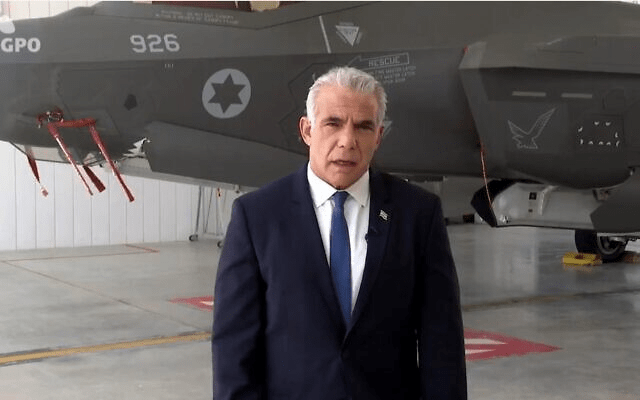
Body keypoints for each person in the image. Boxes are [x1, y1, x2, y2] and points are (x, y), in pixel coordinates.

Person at [212, 66, 467, 400]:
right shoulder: (257, 217)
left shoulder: (418, 214)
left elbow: (442, 341)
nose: (347, 141)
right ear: (307, 130)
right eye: (333, 123)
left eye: (363, 126)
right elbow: (233, 348)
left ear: (378, 136)